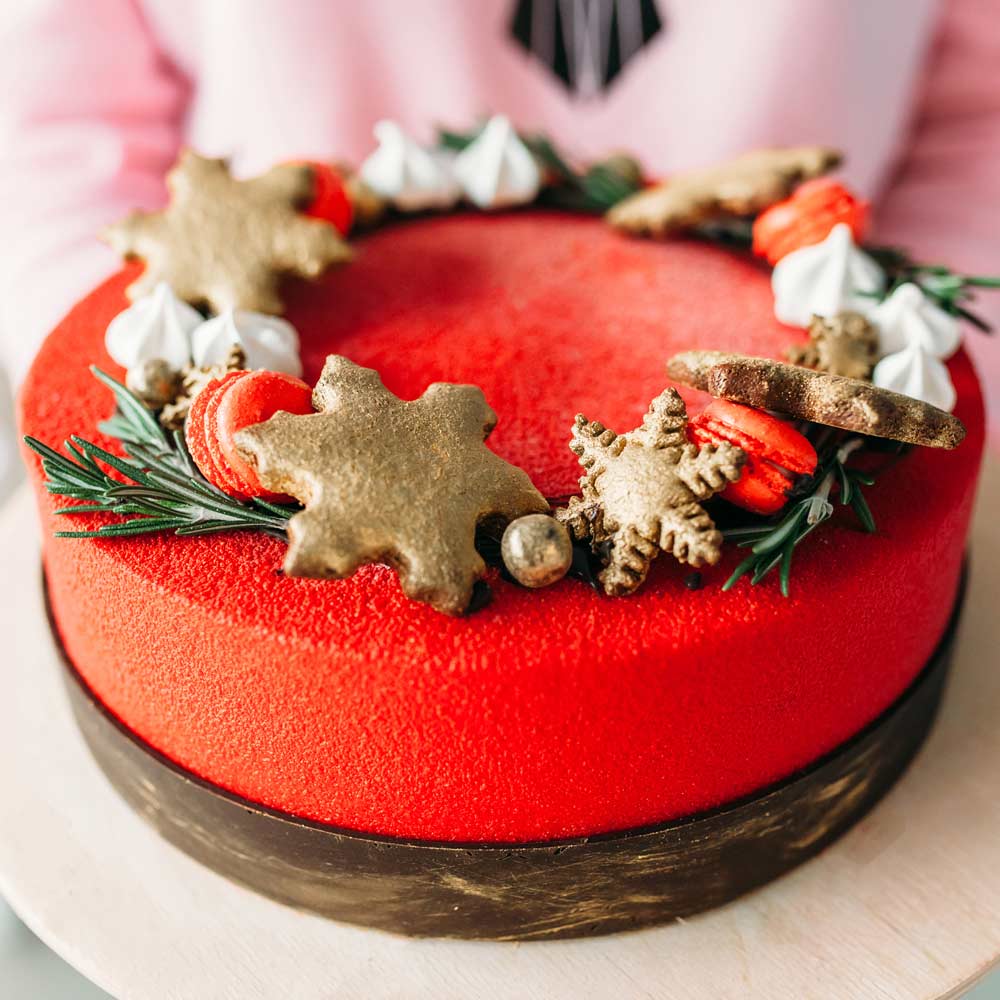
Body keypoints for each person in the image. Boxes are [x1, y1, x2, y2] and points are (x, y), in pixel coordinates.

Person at [0, 0, 997, 412]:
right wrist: (148, 410)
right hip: (271, 387)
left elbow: (979, 122)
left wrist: (920, 390)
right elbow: (52, 130)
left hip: (811, 402)